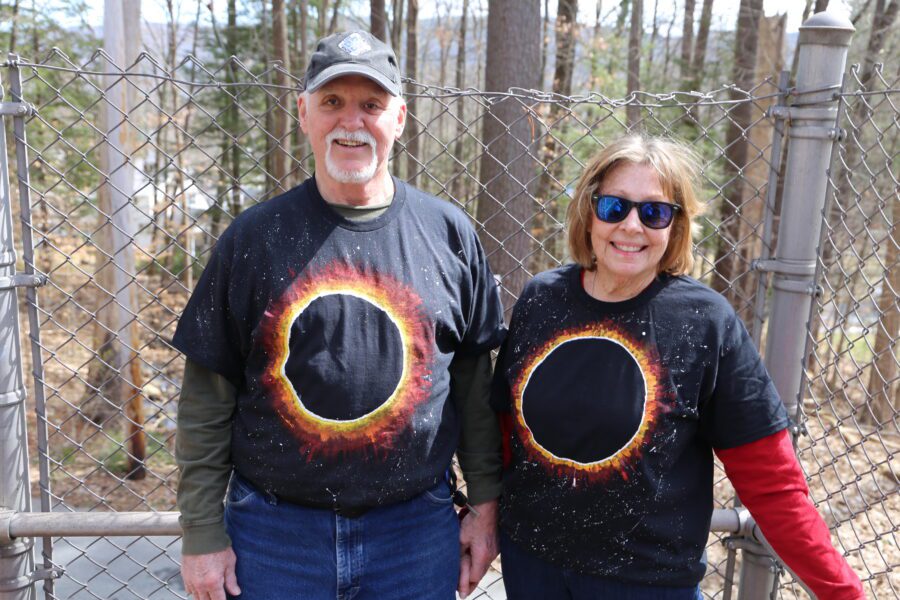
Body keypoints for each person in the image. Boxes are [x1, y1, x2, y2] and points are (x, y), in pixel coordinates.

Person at [173, 30, 505, 600]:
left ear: (399, 118)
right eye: (332, 102)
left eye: (370, 105)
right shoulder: (254, 238)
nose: (351, 121)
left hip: (415, 531)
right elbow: (207, 399)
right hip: (276, 534)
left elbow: (474, 389)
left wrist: (485, 507)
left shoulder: (448, 234)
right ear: (304, 113)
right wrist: (201, 532)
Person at [490, 135, 865, 599]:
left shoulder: (704, 321)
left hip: (646, 583)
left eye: (654, 213)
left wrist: (845, 593)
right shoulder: (542, 299)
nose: (631, 226)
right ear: (589, 212)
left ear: (675, 226)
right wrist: (484, 523)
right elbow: (506, 434)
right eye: (614, 207)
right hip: (532, 570)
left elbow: (773, 484)